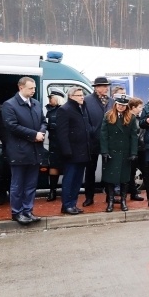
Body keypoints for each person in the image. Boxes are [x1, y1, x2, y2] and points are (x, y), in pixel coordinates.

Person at [1, 76, 47, 225]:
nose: (33, 90)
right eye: (30, 88)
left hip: (35, 150)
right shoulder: (9, 105)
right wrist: (34, 135)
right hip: (19, 151)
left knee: (31, 184)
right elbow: (12, 126)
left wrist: (41, 132)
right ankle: (17, 212)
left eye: (34, 88)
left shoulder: (36, 103)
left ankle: (28, 210)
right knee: (17, 184)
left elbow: (43, 122)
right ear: (21, 88)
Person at [54, 86, 94, 215]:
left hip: (83, 151)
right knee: (69, 180)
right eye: (79, 95)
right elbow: (62, 133)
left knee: (77, 180)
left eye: (82, 94)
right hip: (71, 153)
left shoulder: (82, 108)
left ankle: (73, 204)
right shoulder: (64, 110)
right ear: (71, 97)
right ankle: (67, 205)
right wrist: (67, 151)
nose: (82, 97)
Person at [100, 94, 139, 212]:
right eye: (119, 105)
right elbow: (103, 135)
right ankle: (111, 201)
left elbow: (134, 136)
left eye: (123, 105)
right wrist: (105, 151)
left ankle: (123, 200)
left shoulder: (131, 117)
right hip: (112, 151)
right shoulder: (108, 116)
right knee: (110, 178)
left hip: (125, 152)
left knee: (124, 178)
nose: (121, 107)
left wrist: (133, 153)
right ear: (115, 104)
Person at [82, 76, 112, 206]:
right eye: (103, 86)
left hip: (109, 141)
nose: (106, 88)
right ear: (96, 87)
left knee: (109, 169)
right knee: (90, 170)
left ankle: (109, 196)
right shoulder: (87, 100)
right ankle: (89, 197)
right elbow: (84, 119)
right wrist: (92, 131)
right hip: (92, 140)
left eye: (107, 86)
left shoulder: (112, 101)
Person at [44, 89, 66, 201]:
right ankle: (52, 191)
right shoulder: (50, 111)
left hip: (64, 143)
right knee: (53, 166)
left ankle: (65, 191)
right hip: (53, 142)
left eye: (51, 97)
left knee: (66, 167)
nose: (49, 100)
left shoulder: (64, 110)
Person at [124, 97, 145, 201]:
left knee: (132, 171)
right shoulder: (130, 118)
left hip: (136, 147)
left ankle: (133, 192)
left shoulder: (135, 117)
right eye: (140, 107)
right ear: (133, 107)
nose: (141, 109)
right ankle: (133, 192)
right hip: (132, 148)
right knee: (131, 172)